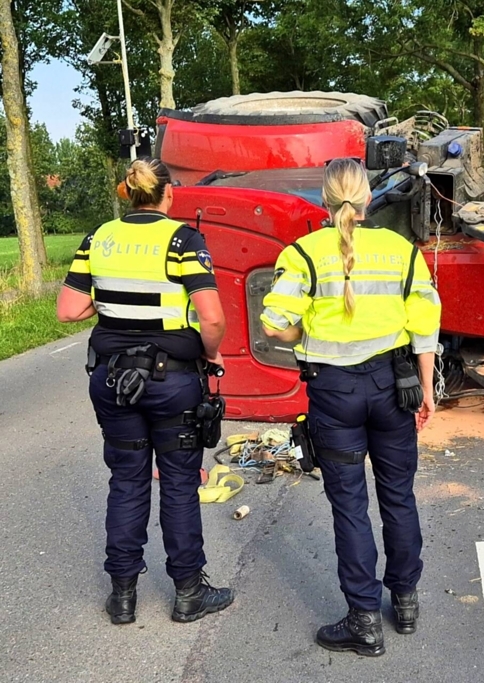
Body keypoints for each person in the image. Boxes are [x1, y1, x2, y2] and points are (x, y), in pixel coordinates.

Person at [261, 157, 441, 657]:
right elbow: (424, 325)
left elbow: (275, 325)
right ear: (367, 199)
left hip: (333, 394)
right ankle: (404, 602)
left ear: (325, 198)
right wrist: (427, 391)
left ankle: (364, 620)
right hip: (393, 388)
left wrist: (308, 334)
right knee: (399, 496)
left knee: (350, 507)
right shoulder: (401, 251)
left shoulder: (302, 253)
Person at [55, 157, 234, 625]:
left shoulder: (99, 237)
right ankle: (190, 593)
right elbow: (211, 317)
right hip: (173, 381)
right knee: (178, 484)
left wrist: (114, 301)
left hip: (112, 381)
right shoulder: (182, 239)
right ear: (168, 195)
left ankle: (123, 596)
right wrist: (212, 354)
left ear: (128, 194)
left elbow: (68, 310)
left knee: (127, 481)